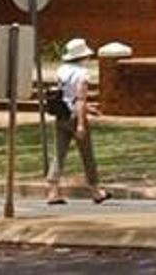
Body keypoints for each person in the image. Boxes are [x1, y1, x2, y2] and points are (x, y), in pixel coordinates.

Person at [45, 37, 109, 204]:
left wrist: (88, 108)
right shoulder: (82, 74)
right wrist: (81, 123)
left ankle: (53, 191)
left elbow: (66, 96)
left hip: (62, 115)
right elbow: (79, 98)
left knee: (59, 154)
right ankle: (95, 191)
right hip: (75, 116)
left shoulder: (62, 71)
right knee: (87, 154)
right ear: (82, 56)